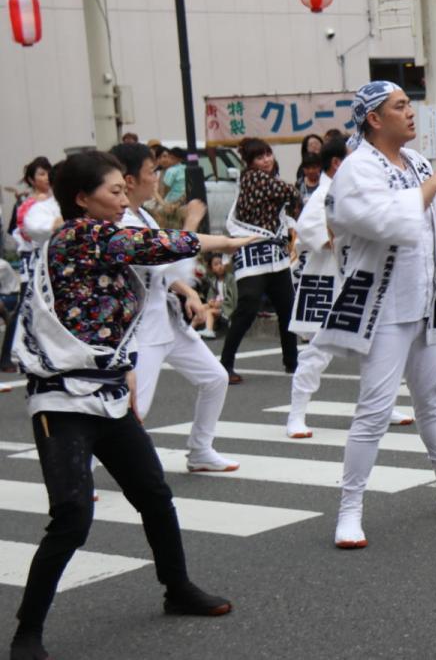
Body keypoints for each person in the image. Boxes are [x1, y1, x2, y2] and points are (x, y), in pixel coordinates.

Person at [8, 151, 255, 660]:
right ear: (82, 198)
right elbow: (161, 245)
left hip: (108, 394)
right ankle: (27, 631)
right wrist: (227, 240)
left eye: (126, 190)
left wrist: (128, 378)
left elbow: (121, 303)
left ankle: (177, 588)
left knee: (153, 493)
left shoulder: (105, 241)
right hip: (63, 400)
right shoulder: (82, 235)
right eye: (115, 192)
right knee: (73, 516)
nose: (124, 200)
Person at [313, 81, 436, 549]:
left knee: (434, 395)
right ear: (374, 118)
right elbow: (384, 222)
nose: (410, 112)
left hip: (422, 297)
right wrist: (434, 183)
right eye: (399, 106)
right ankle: (350, 508)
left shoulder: (417, 162)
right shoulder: (358, 169)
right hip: (382, 305)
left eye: (408, 104)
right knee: (376, 408)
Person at [109, 142, 239, 473]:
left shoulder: (143, 214)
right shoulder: (123, 221)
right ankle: (83, 467)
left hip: (166, 318)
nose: (158, 177)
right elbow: (167, 257)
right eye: (152, 171)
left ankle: (200, 450)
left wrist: (187, 293)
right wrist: (192, 222)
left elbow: (163, 272)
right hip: (142, 329)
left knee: (214, 378)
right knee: (134, 407)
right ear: (129, 179)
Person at [286, 136, 413, 437]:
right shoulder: (324, 194)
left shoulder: (354, 190)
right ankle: (296, 414)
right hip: (328, 280)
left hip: (358, 279)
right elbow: (307, 230)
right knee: (317, 351)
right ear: (338, 163)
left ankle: (380, 405)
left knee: (378, 344)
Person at [219, 138, 301, 384]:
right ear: (250, 162)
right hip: (253, 249)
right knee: (248, 306)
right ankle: (225, 363)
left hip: (273, 253)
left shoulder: (267, 179)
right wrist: (287, 191)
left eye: (268, 154)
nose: (266, 160)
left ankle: (292, 362)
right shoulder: (253, 178)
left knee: (286, 306)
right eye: (259, 157)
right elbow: (290, 192)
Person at [2, 158, 55, 373]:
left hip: (48, 258)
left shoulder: (54, 199)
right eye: (41, 174)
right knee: (25, 304)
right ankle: (7, 356)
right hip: (32, 258)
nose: (46, 177)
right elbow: (21, 230)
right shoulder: (27, 203)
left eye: (47, 173)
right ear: (32, 179)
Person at [196, 252, 236, 338]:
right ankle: (190, 329)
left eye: (221, 263)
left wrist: (220, 304)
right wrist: (211, 301)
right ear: (212, 268)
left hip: (227, 309)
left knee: (209, 311)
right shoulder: (214, 281)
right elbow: (211, 295)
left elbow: (233, 297)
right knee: (201, 308)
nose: (220, 266)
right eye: (216, 264)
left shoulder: (230, 279)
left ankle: (209, 330)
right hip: (217, 306)